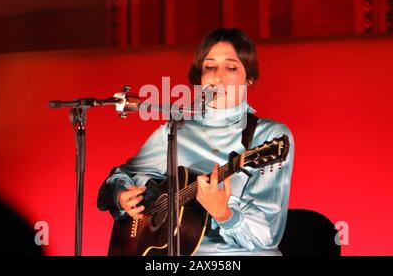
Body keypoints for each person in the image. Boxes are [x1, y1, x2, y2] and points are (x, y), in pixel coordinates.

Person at [97, 28, 294, 256]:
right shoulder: (176, 129)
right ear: (200, 77)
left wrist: (225, 215)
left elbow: (268, 235)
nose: (217, 76)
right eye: (209, 67)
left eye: (231, 67)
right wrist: (122, 196)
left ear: (248, 77)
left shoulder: (270, 137)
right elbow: (119, 178)